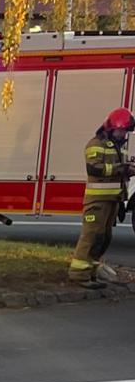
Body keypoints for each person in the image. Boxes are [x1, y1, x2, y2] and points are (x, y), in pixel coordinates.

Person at [69, 107, 135, 288]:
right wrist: (120, 169)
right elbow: (94, 168)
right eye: (121, 131)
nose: (123, 135)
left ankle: (91, 272)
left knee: (103, 238)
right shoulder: (96, 144)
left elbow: (114, 171)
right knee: (91, 237)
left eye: (125, 132)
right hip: (97, 202)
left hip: (110, 201)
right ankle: (79, 274)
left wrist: (126, 171)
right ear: (111, 127)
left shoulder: (114, 146)